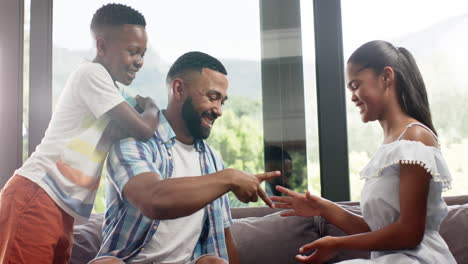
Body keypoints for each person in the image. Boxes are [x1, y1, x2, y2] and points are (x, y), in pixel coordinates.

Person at [0, 4, 159, 263]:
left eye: (142, 53)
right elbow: (143, 130)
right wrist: (151, 107)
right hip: (36, 194)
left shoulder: (109, 91)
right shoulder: (91, 74)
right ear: (101, 46)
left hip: (59, 206)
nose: (139, 61)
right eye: (132, 52)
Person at [272, 40, 456, 263]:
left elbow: (409, 234)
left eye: (355, 85)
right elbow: (380, 230)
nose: (352, 96)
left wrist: (336, 243)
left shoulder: (414, 138)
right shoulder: (392, 145)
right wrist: (324, 207)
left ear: (386, 77)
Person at [91, 51, 279, 264]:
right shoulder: (132, 142)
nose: (218, 111)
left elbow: (224, 239)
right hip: (128, 261)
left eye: (222, 101)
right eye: (212, 97)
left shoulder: (213, 160)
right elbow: (153, 200)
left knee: (213, 262)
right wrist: (229, 178)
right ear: (179, 89)